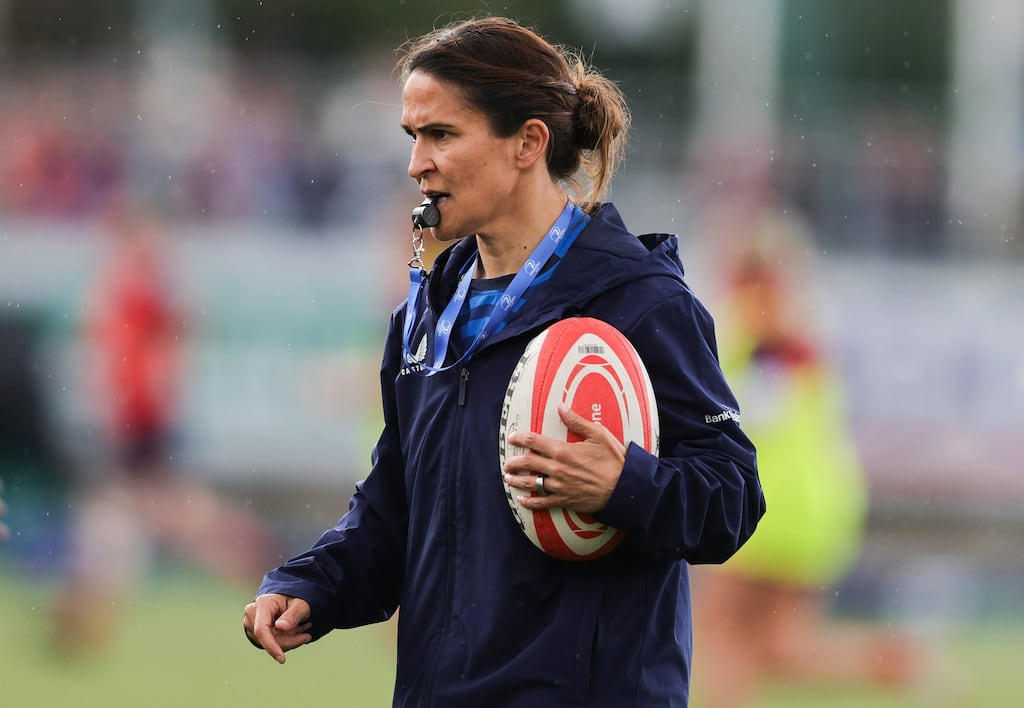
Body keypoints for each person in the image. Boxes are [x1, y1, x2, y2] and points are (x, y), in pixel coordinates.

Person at [243, 16, 763, 707]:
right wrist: (312, 585)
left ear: (528, 143)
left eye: (441, 135)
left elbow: (732, 496)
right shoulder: (423, 318)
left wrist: (625, 485)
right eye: (412, 137)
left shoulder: (641, 305)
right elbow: (394, 509)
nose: (415, 163)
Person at [689, 194, 921, 706]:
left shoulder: (755, 322)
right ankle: (892, 664)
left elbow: (746, 413)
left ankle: (894, 664)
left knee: (719, 631)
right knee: (776, 648)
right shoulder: (802, 322)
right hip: (818, 504)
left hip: (769, 505)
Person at [51, 197, 279, 658]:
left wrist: (150, 383)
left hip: (142, 421)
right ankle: (84, 621)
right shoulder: (130, 286)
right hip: (137, 420)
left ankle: (265, 569)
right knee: (139, 518)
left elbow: (179, 326)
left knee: (145, 518)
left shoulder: (138, 285)